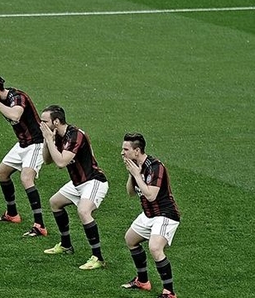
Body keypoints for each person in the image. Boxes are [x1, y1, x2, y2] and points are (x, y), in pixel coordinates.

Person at [39, 105, 108, 270]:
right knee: (55, 202)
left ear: (56, 121)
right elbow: (47, 160)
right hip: (77, 183)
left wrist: (49, 139)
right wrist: (46, 139)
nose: (41, 124)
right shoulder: (57, 135)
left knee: (84, 211)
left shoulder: (75, 135)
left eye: (44, 121)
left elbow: (61, 162)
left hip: (93, 181)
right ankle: (66, 245)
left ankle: (98, 257)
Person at [0, 74, 48, 237]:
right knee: (2, 173)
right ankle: (12, 214)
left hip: (36, 143)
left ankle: (40, 225)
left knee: (26, 178)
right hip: (22, 143)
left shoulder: (18, 97)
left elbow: (15, 115)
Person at [120, 133, 180, 298]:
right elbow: (131, 192)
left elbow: (151, 195)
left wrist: (137, 175)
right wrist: (132, 173)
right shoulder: (135, 166)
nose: (122, 152)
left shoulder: (155, 167)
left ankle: (169, 292)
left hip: (165, 214)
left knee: (155, 247)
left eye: (125, 149)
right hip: (149, 214)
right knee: (130, 239)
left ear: (137, 150)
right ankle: (143, 281)